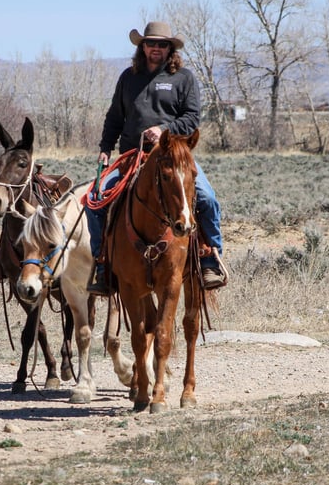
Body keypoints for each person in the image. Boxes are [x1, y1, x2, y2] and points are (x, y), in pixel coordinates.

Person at [85, 20, 226, 295]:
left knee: (207, 198)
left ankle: (211, 258)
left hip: (173, 156)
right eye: (151, 43)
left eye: (162, 44)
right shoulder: (128, 77)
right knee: (95, 202)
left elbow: (192, 118)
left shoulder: (183, 78)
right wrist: (105, 147)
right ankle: (103, 263)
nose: (156, 48)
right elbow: (115, 117)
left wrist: (164, 130)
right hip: (132, 155)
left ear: (170, 49)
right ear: (143, 47)